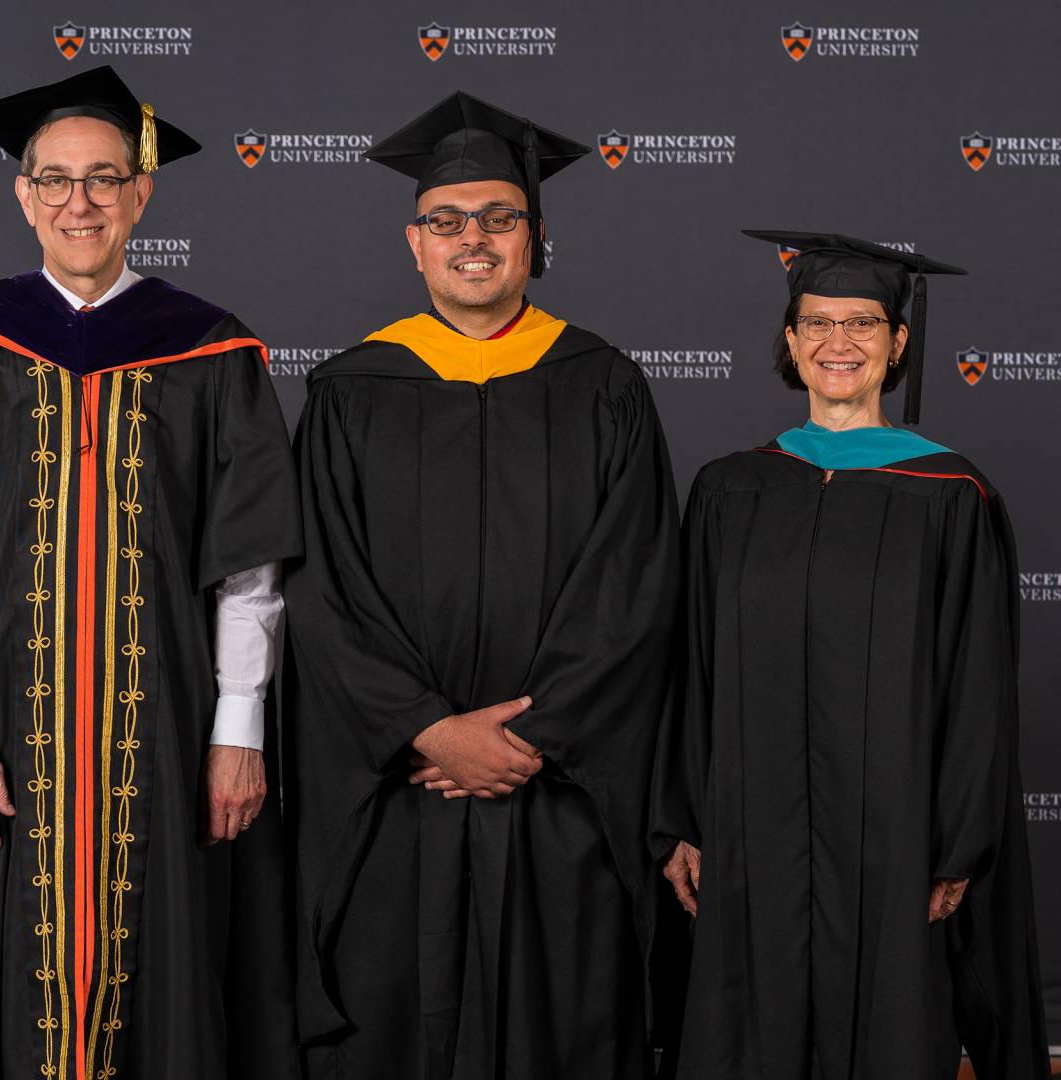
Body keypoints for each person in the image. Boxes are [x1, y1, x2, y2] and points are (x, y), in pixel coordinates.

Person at [0, 66, 302, 1079]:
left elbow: (250, 566)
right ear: (22, 197)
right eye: (56, 181)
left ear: (140, 194)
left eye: (105, 179)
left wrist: (237, 726)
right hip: (8, 722)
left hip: (166, 714)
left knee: (164, 957)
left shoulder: (208, 347)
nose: (80, 202)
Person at [284, 91, 680, 1077]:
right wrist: (426, 727)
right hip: (397, 794)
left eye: (501, 218)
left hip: (556, 795)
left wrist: (527, 740)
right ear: (413, 242)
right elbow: (322, 595)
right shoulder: (349, 392)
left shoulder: (604, 384)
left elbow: (633, 587)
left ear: (536, 239)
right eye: (449, 220)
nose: (475, 239)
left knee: (565, 1028)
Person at [652, 231, 1048, 1078]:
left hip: (893, 833)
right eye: (818, 323)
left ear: (898, 344)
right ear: (790, 341)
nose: (840, 343)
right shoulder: (730, 490)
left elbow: (977, 684)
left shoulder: (950, 495)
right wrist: (683, 815)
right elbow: (693, 669)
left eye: (864, 323)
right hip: (749, 827)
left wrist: (957, 839)